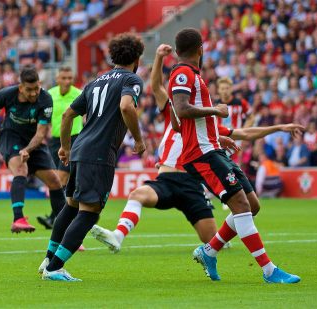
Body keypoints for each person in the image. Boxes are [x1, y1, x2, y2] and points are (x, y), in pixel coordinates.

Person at [90, 44, 304, 252]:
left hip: (191, 183)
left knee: (212, 238)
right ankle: (117, 236)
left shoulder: (207, 125)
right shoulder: (173, 113)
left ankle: (216, 244)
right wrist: (158, 57)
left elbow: (244, 133)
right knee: (137, 194)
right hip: (167, 179)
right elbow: (156, 87)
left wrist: (279, 127)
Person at [169, 28, 299, 283]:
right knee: (240, 205)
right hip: (201, 154)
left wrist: (215, 133)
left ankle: (209, 251)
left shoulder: (192, 75)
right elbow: (182, 110)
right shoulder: (183, 74)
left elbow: (177, 121)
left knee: (252, 205)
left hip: (213, 147)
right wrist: (215, 111)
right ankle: (269, 271)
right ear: (201, 49)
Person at [39, 33, 145, 281]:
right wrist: (139, 139)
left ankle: (47, 260)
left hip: (79, 149)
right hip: (99, 154)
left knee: (71, 207)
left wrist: (65, 147)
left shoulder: (95, 83)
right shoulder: (132, 79)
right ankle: (54, 268)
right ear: (137, 58)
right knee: (89, 213)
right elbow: (127, 106)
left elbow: (67, 116)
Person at [0, 67, 65, 233]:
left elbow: (41, 132)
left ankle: (66, 229)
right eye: (29, 90)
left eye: (36, 88)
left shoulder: (45, 99)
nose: (34, 93)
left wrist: (28, 149)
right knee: (21, 169)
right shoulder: (6, 94)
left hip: (33, 141)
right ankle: (18, 218)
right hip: (10, 136)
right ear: (20, 87)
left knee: (54, 181)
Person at [36, 67, 83, 229]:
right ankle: (60, 216)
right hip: (55, 141)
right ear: (57, 79)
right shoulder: (50, 94)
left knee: (60, 178)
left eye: (70, 78)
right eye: (64, 78)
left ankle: (55, 218)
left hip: (74, 140)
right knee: (63, 180)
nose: (67, 81)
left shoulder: (78, 94)